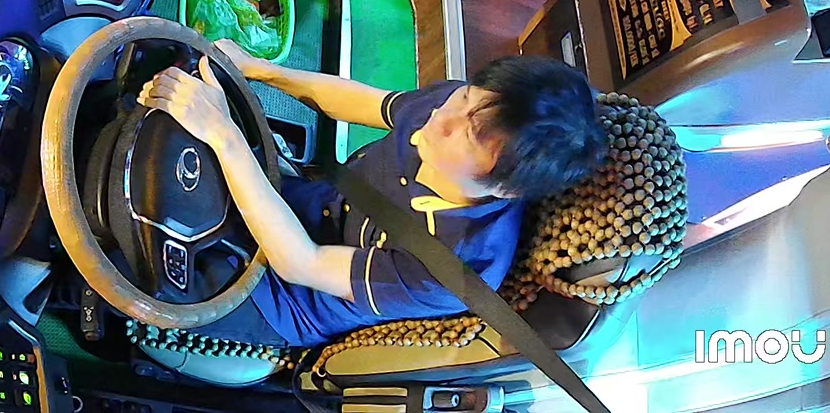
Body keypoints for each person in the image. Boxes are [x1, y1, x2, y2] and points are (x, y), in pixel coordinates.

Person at [136, 41, 606, 348]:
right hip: (303, 201)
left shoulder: (456, 270)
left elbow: (302, 262)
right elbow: (365, 100)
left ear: (506, 187)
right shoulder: (461, 110)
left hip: (281, 298)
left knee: (141, 258)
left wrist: (225, 135)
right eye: (465, 96)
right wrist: (259, 70)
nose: (440, 117)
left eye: (467, 135)